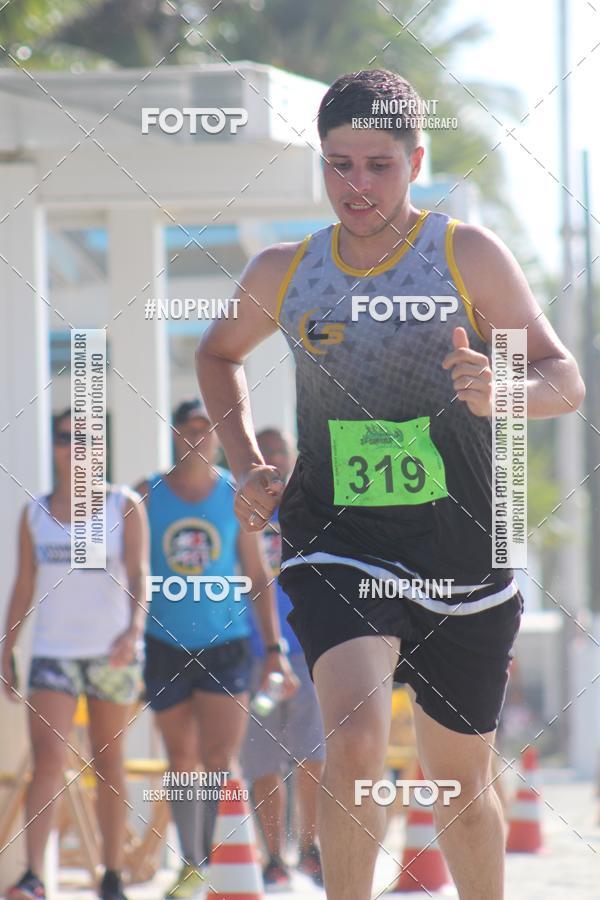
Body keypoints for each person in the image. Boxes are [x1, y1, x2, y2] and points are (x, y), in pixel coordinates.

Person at [195, 69, 585, 900]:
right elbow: (216, 353)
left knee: (462, 795)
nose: (357, 185)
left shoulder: (466, 254)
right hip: (339, 542)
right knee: (357, 739)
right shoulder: (286, 271)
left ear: (415, 160)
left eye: (378, 165)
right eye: (339, 164)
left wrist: (504, 390)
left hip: (462, 558)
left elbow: (565, 379)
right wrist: (245, 463)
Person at [135, 398, 296, 899]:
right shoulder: (147, 494)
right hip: (163, 643)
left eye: (207, 429)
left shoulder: (233, 492)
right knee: (182, 759)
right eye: (190, 429)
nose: (199, 438)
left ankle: (226, 860)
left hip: (226, 643)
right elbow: (127, 571)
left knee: (221, 758)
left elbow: (257, 576)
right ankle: (192, 861)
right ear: (176, 434)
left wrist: (274, 648)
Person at [2, 409, 149, 900]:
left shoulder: (122, 504)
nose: (75, 448)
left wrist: (134, 631)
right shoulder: (34, 512)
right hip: (53, 653)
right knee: (48, 759)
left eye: (86, 440)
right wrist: (8, 646)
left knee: (110, 762)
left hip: (110, 650)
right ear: (54, 445)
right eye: (66, 438)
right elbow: (23, 583)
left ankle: (111, 874)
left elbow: (140, 574)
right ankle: (34, 875)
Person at [241, 428, 324, 890]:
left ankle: (309, 848)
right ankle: (273, 856)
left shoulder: (310, 507)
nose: (273, 460)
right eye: (265, 454)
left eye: (279, 452)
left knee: (315, 754)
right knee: (264, 759)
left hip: (310, 652)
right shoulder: (244, 512)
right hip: (258, 659)